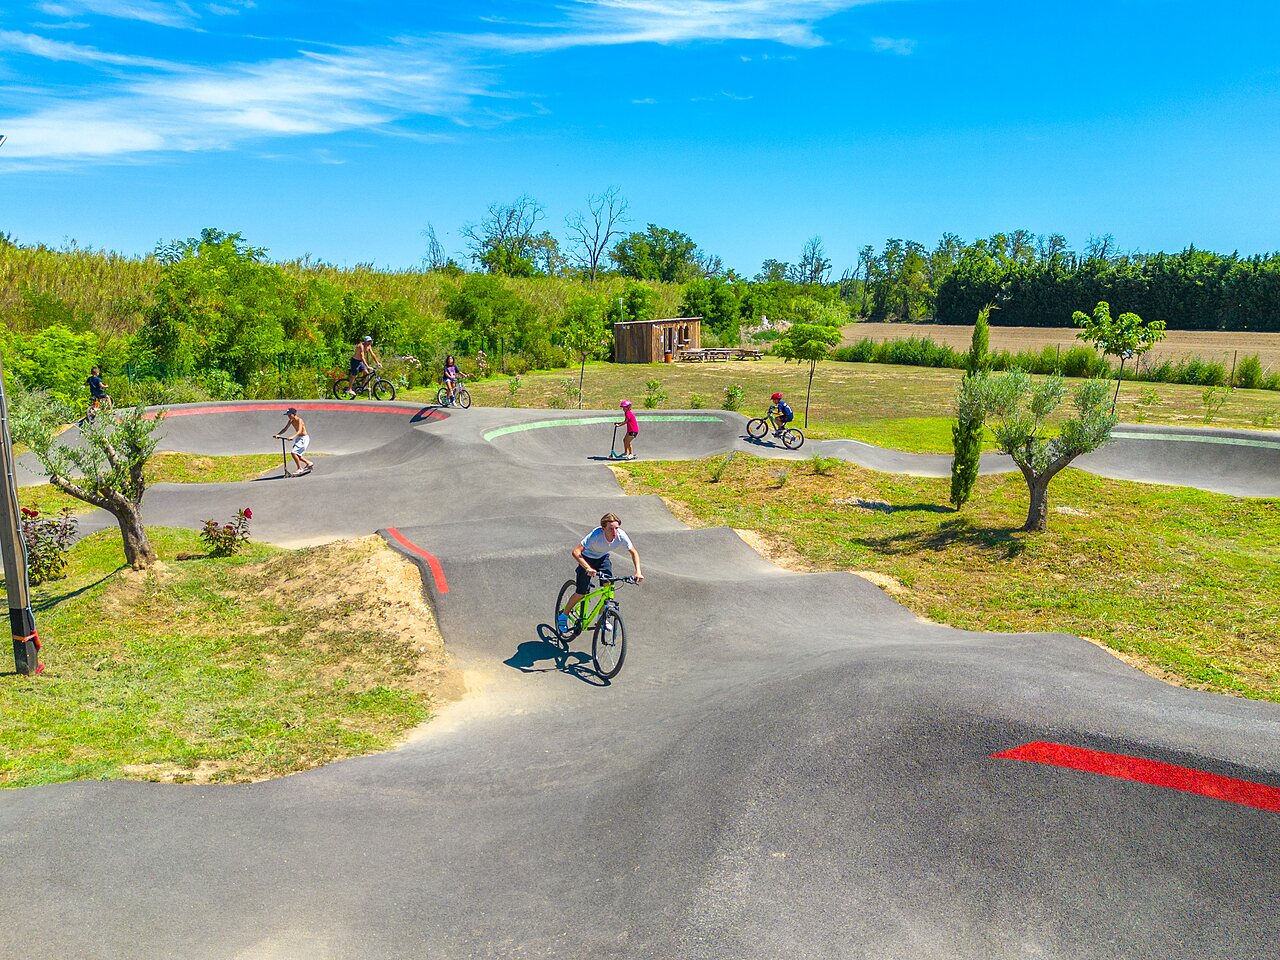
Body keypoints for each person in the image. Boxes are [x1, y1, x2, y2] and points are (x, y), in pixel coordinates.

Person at [557, 512, 644, 634]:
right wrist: (587, 568)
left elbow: (633, 552)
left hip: (602, 559)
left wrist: (638, 572)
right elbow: (576, 552)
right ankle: (563, 616)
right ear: (603, 528)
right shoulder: (596, 535)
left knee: (608, 589)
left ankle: (601, 618)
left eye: (617, 528)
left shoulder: (621, 535)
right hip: (586, 559)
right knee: (581, 593)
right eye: (611, 529)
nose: (614, 532)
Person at [273, 408, 314, 476]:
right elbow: (285, 429)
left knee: (293, 453)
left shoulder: (299, 420)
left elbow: (300, 431)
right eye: (288, 415)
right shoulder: (291, 421)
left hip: (304, 438)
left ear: (294, 414)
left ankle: (299, 468)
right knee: (297, 455)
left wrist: (292, 437)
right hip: (299, 438)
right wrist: (278, 434)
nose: (288, 416)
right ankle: (309, 463)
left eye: (289, 415)